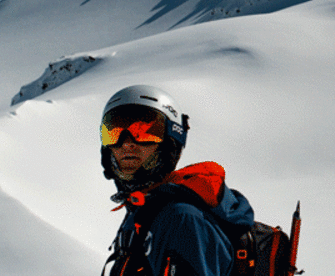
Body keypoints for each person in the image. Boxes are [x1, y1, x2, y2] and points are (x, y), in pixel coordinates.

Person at [101, 85, 255, 276]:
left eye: (146, 132)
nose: (127, 143)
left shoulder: (182, 219)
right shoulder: (144, 210)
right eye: (114, 133)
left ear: (170, 140)